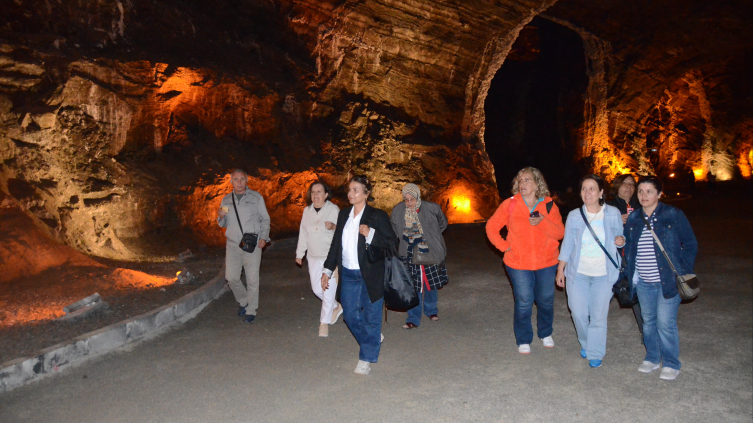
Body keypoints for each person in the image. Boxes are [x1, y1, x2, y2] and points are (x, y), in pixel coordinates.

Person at [623, 175, 697, 381]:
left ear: (659, 194)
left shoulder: (673, 214)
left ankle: (671, 363)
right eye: (640, 191)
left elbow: (690, 243)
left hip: (668, 281)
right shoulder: (635, 218)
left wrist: (682, 269)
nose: (644, 195)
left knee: (665, 322)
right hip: (644, 281)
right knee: (648, 322)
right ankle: (652, 357)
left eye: (649, 191)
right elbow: (630, 246)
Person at [321, 175, 397, 375]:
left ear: (366, 193)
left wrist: (371, 234)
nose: (351, 193)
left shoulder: (377, 216)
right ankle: (372, 339)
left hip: (371, 274)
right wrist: (327, 270)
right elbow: (335, 245)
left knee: (372, 318)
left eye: (356, 190)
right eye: (349, 190)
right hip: (348, 273)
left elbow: (392, 243)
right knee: (350, 315)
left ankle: (366, 358)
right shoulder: (343, 214)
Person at [486, 167, 565, 355]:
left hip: (546, 262)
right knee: (524, 301)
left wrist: (542, 222)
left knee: (545, 300)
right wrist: (504, 246)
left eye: (527, 180)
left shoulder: (548, 205)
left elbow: (560, 232)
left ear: (538, 183)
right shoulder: (510, 204)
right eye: (520, 181)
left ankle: (545, 333)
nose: (523, 184)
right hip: (518, 263)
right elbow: (491, 227)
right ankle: (523, 338)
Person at [556, 174, 625, 368]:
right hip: (578, 273)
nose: (587, 192)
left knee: (598, 316)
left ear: (601, 192)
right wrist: (560, 270)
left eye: (592, 188)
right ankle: (587, 342)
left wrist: (621, 240)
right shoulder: (574, 215)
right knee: (578, 313)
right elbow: (568, 244)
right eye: (584, 188)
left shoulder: (612, 213)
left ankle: (595, 352)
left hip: (604, 274)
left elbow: (620, 237)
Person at [390, 183, 449, 329]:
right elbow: (394, 228)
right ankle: (413, 317)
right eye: (406, 199)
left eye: (412, 199)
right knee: (414, 285)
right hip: (409, 253)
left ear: (418, 197)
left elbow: (443, 223)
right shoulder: (398, 210)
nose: (409, 203)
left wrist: (430, 236)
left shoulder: (432, 208)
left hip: (429, 250)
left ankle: (431, 310)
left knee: (431, 283)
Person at [217, 169, 271, 323]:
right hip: (233, 245)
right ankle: (243, 301)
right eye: (236, 179)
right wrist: (220, 217)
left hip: (251, 244)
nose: (239, 182)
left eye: (242, 179)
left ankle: (251, 309)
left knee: (252, 279)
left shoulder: (256, 198)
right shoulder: (227, 200)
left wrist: (264, 237)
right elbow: (223, 223)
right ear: (231, 182)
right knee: (231, 277)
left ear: (247, 180)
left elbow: (265, 219)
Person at [295, 180, 342, 337]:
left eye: (319, 192)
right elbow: (303, 233)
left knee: (327, 290)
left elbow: (343, 231)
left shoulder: (333, 210)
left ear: (326, 195)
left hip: (330, 258)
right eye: (313, 192)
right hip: (313, 257)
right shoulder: (307, 211)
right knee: (316, 289)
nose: (315, 195)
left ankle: (324, 323)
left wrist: (333, 227)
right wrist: (299, 254)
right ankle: (336, 306)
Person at [606, 173, 644, 336]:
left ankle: (647, 333)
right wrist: (614, 221)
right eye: (625, 183)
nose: (628, 187)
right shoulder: (608, 206)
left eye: (632, 184)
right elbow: (597, 230)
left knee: (639, 294)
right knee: (604, 293)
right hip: (614, 257)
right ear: (617, 186)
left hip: (636, 256)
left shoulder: (641, 205)